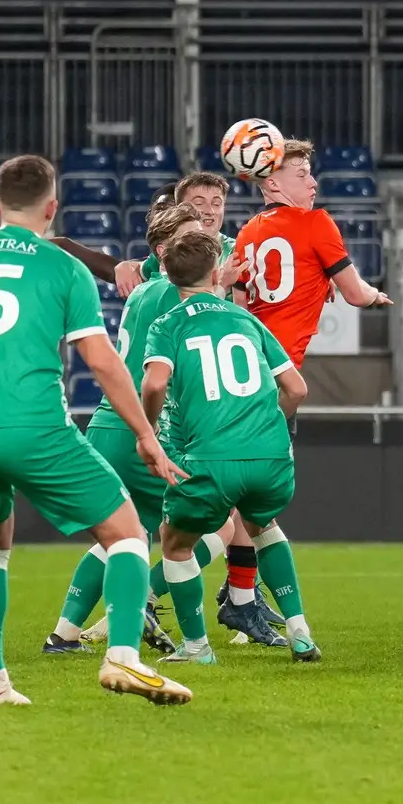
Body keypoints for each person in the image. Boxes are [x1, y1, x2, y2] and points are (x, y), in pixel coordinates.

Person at [0, 154, 191, 707]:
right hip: (35, 427)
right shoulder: (63, 267)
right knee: (127, 532)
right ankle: (124, 658)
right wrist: (146, 436)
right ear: (52, 207)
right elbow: (102, 361)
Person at [44, 203, 274, 654]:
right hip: (146, 430)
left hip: (106, 427)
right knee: (221, 526)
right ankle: (146, 598)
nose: (203, 245)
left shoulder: (144, 291)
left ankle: (64, 634)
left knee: (121, 536)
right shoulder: (179, 294)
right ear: (167, 250)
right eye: (191, 239)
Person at [221, 138, 391, 623]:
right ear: (272, 183)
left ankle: (240, 601)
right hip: (273, 382)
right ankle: (153, 597)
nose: (313, 182)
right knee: (236, 508)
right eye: (302, 174)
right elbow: (355, 295)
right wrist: (375, 295)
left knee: (244, 508)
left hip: (236, 372)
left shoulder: (248, 232)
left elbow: (241, 306)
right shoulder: (317, 223)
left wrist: (316, 287)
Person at [142, 229, 318, 664]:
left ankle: (197, 647)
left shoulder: (168, 324)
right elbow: (295, 388)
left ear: (167, 274)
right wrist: (263, 424)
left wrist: (147, 433)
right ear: (218, 270)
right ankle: (300, 633)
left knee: (175, 542)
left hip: (209, 457)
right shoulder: (247, 320)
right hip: (271, 456)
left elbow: (155, 381)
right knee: (263, 526)